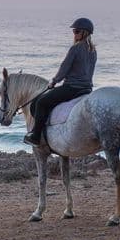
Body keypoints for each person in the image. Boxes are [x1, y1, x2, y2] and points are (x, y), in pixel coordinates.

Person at [23, 17, 97, 146]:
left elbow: (64, 68)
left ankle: (36, 136)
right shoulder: (93, 51)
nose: (74, 34)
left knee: (40, 103)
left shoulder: (75, 48)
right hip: (87, 89)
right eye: (74, 31)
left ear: (84, 33)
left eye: (76, 31)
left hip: (72, 88)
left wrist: (54, 81)